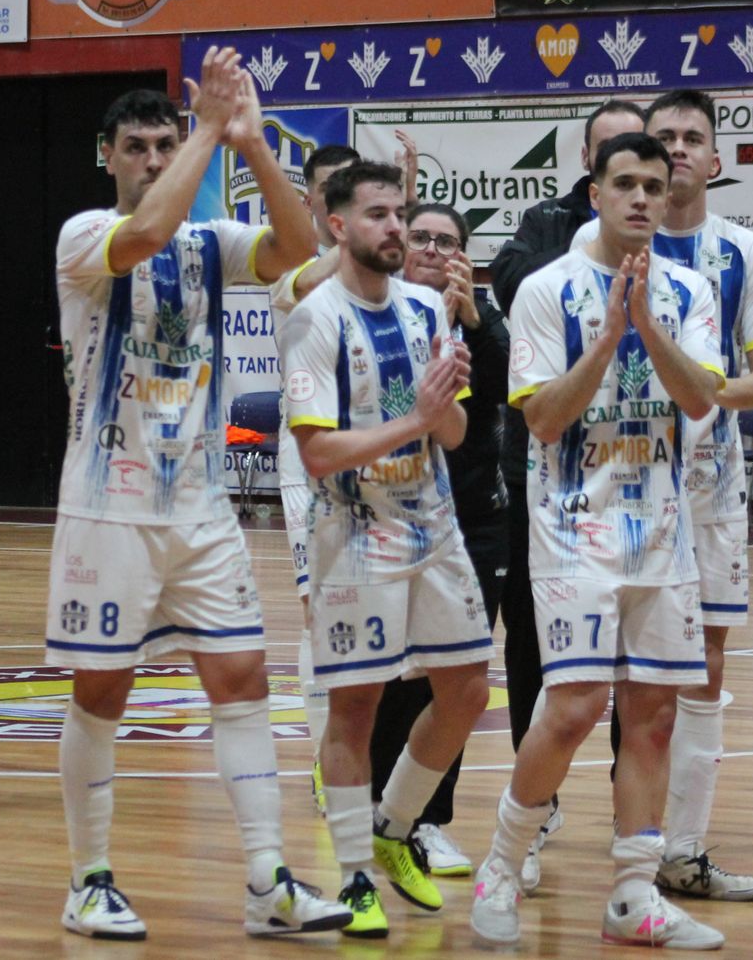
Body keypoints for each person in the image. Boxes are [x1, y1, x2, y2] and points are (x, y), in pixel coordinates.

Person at [47, 51, 351, 941]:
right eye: (136, 146)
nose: (149, 158)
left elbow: (303, 252)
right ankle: (88, 877)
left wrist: (249, 146)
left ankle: (268, 879)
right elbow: (139, 236)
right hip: (109, 505)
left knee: (242, 680)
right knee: (102, 689)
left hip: (202, 506)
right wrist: (207, 132)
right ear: (107, 155)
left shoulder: (212, 244)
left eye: (164, 145)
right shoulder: (82, 234)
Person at [470, 132, 727, 949]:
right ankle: (503, 864)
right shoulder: (545, 290)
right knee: (576, 707)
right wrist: (610, 332)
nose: (644, 198)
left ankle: (632, 896)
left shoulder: (691, 289)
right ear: (596, 192)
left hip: (664, 534)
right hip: (574, 531)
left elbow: (699, 402)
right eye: (627, 183)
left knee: (653, 718)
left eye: (656, 184)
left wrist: (648, 324)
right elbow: (542, 417)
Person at [279, 162, 492, 938]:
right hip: (353, 534)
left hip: (433, 529)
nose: (397, 229)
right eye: (378, 215)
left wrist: (440, 410)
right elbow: (318, 452)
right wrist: (417, 418)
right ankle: (354, 879)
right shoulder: (313, 318)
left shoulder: (428, 306)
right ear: (338, 226)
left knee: (468, 691)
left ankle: (393, 826)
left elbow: (458, 433)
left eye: (400, 214)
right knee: (356, 707)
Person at [568, 90, 753, 902]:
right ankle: (578, 838)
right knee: (596, 682)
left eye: (695, 138)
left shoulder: (742, 254)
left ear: (715, 162)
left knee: (704, 669)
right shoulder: (590, 247)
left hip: (712, 484)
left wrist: (699, 390)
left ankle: (681, 851)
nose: (679, 151)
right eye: (667, 139)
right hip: (611, 484)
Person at [488, 99, 644, 890]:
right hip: (553, 479)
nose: (633, 182)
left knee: (646, 683)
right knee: (534, 651)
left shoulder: (679, 249)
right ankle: (533, 815)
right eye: (612, 158)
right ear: (589, 170)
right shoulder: (545, 229)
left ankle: (639, 839)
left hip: (651, 492)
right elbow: (510, 282)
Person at [363, 202, 508, 878]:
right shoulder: (371, 312)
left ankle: (430, 819)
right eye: (418, 235)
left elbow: (499, 405)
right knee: (390, 682)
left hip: (470, 517)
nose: (429, 248)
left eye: (445, 241)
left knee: (454, 684)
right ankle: (378, 811)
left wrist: (469, 327)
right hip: (384, 517)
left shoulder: (483, 319)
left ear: (464, 256)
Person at [269, 142, 359, 814]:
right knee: (316, 610)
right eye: (330, 190)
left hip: (382, 458)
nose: (339, 200)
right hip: (309, 453)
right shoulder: (295, 266)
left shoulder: (385, 267)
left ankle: (362, 757)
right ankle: (328, 764)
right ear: (310, 200)